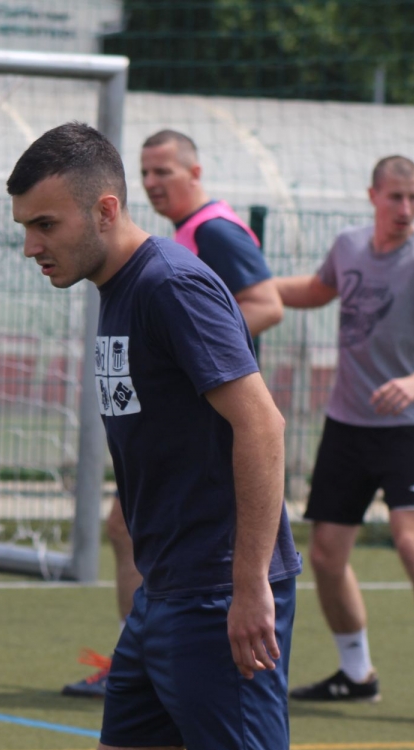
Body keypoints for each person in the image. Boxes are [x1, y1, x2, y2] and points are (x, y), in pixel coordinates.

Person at [9, 122, 302, 750]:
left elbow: (263, 424)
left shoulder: (172, 285)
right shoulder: (118, 287)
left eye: (46, 225)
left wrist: (249, 584)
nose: (31, 246)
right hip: (167, 586)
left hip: (217, 588)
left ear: (105, 210)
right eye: (25, 227)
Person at [62, 128, 284, 698]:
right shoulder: (159, 249)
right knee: (126, 527)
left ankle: (134, 654)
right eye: (146, 172)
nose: (153, 182)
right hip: (174, 458)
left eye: (164, 171)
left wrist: (184, 347)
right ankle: (134, 654)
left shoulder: (208, 235)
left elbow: (266, 303)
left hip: (208, 463)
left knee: (125, 528)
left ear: (196, 172)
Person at [274, 155, 414, 723]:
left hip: (405, 429)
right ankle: (356, 675)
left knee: (413, 544)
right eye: (396, 197)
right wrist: (251, 287)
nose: (406, 209)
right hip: (346, 425)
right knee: (325, 554)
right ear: (373, 196)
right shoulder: (348, 246)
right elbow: (317, 289)